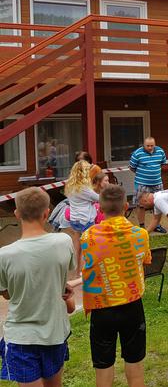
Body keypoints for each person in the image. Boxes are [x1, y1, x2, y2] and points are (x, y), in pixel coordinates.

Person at [0, 187, 75, 387]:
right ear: (46, 213)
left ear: (16, 214)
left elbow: (7, 293)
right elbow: (61, 277)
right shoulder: (64, 241)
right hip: (55, 333)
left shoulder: (4, 255)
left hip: (21, 337)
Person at [79, 185, 151, 387]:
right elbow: (144, 262)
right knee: (135, 363)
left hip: (102, 308)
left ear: (99, 208)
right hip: (132, 305)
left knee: (103, 366)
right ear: (126, 206)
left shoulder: (88, 236)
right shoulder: (140, 234)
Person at [65, 160, 99, 273]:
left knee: (78, 246)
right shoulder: (85, 189)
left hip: (75, 219)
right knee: (88, 247)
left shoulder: (70, 186)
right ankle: (86, 271)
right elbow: (99, 198)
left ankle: (77, 270)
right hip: (86, 220)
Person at [129, 137, 168, 234]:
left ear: (155, 144)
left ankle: (157, 225)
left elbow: (162, 163)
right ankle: (142, 226)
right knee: (140, 205)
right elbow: (132, 167)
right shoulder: (137, 153)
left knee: (159, 204)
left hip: (157, 183)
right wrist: (144, 175)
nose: (150, 148)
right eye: (148, 146)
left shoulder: (160, 151)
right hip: (142, 183)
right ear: (143, 145)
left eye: (152, 145)